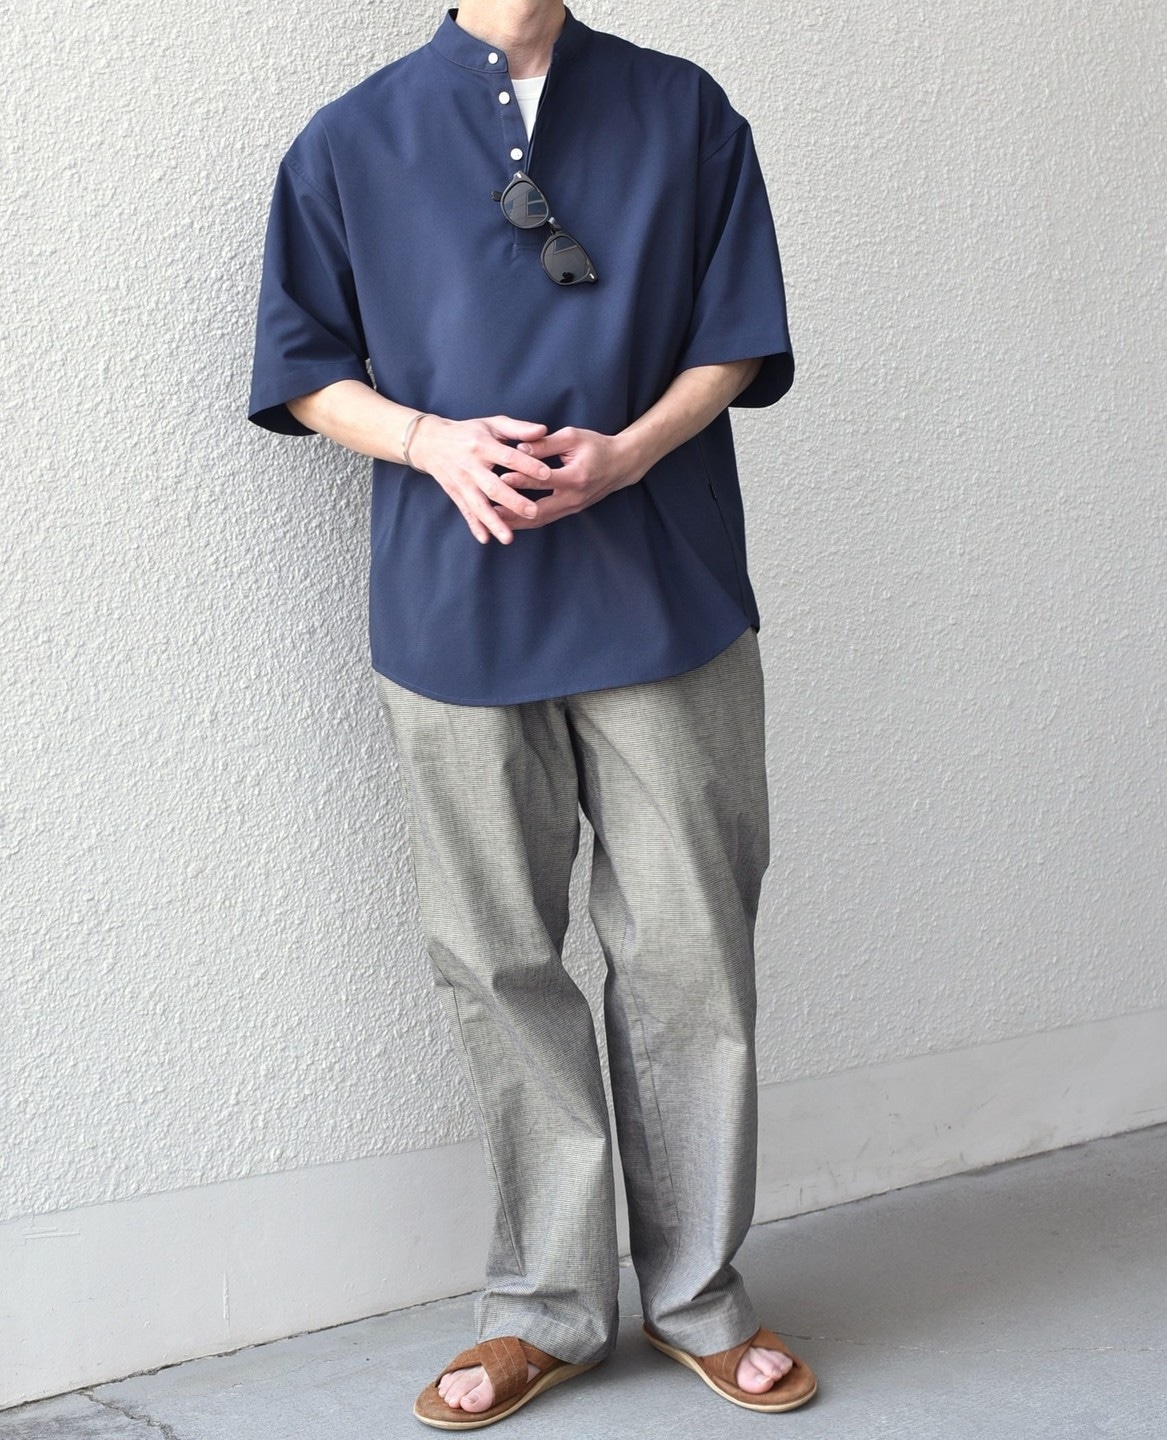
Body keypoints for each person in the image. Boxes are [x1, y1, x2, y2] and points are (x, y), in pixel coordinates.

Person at [248, 0, 817, 1426]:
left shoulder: (684, 109)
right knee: (497, 955)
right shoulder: (349, 142)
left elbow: (737, 335)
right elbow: (304, 368)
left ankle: (698, 1294)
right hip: (454, 605)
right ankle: (545, 1306)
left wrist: (630, 454)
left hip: (666, 587)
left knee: (692, 949)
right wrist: (431, 443)